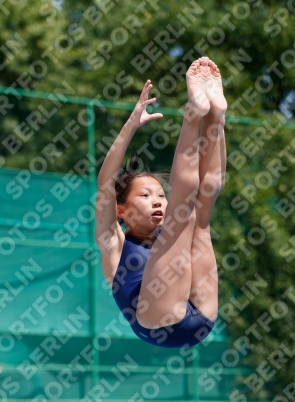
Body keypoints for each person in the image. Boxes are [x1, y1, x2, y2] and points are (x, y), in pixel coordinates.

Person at [95, 57, 227, 348]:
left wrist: (214, 120)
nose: (156, 201)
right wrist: (131, 125)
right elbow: (106, 181)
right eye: (144, 196)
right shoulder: (113, 242)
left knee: (198, 217)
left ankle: (215, 117)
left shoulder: (173, 238)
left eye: (159, 194)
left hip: (200, 316)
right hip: (157, 323)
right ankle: (193, 114)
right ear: (121, 210)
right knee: (183, 216)